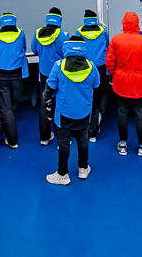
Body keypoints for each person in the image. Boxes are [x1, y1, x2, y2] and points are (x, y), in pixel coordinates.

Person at [44, 37, 99, 185]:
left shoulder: (58, 66)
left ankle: (62, 174)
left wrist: (48, 105)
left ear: (66, 48)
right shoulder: (92, 67)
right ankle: (83, 168)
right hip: (84, 112)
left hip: (64, 114)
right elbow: (96, 84)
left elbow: (50, 88)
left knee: (63, 143)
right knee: (82, 140)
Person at [104, 11, 142, 157]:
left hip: (121, 83)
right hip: (140, 84)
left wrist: (116, 76)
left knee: (122, 113)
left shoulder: (116, 40)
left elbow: (109, 62)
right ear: (136, 24)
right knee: (140, 114)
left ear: (123, 24)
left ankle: (122, 144)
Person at [31, 8, 68, 146]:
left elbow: (34, 50)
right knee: (61, 104)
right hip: (59, 76)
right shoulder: (63, 35)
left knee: (44, 105)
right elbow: (67, 55)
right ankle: (62, 140)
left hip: (44, 75)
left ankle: (44, 137)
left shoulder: (37, 33)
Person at [0, 12, 27, 149]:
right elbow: (24, 48)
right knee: (15, 102)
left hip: (2, 75)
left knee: (7, 108)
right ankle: (11, 140)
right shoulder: (20, 33)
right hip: (17, 74)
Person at [75, 9, 110, 140]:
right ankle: (100, 115)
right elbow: (107, 46)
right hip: (101, 68)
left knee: (88, 96)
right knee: (102, 92)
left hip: (86, 69)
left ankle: (89, 123)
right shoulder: (103, 31)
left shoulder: (79, 32)